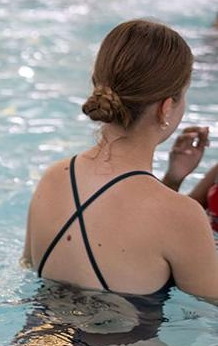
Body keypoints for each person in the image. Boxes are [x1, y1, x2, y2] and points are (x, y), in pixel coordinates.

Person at [22, 19, 218, 299]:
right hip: (128, 343)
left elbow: (28, 266)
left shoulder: (54, 177)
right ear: (166, 108)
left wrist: (173, 180)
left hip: (39, 339)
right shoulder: (182, 217)